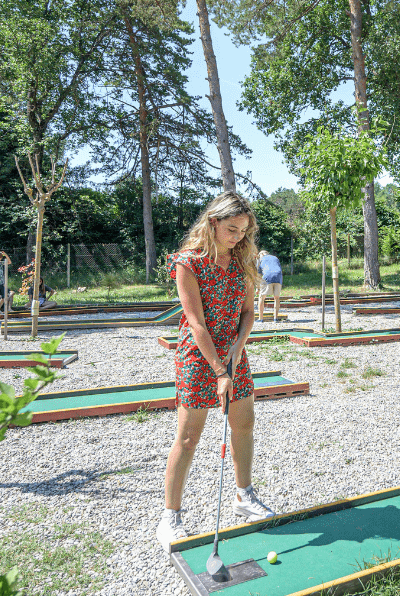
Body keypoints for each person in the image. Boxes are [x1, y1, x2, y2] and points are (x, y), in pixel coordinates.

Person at [157, 192, 274, 552]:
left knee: (244, 423)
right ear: (213, 223)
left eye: (243, 231)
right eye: (232, 229)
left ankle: (244, 495)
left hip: (233, 353)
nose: (238, 237)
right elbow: (196, 323)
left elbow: (248, 313)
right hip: (198, 356)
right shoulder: (188, 263)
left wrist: (238, 348)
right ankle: (170, 517)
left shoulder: (243, 261)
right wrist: (220, 370)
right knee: (188, 437)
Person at [256, 250, 283, 321]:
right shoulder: (275, 257)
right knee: (276, 297)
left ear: (262, 254)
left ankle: (260, 319)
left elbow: (258, 275)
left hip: (267, 276)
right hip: (278, 277)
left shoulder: (260, 259)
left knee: (261, 297)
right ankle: (275, 318)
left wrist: (257, 288)